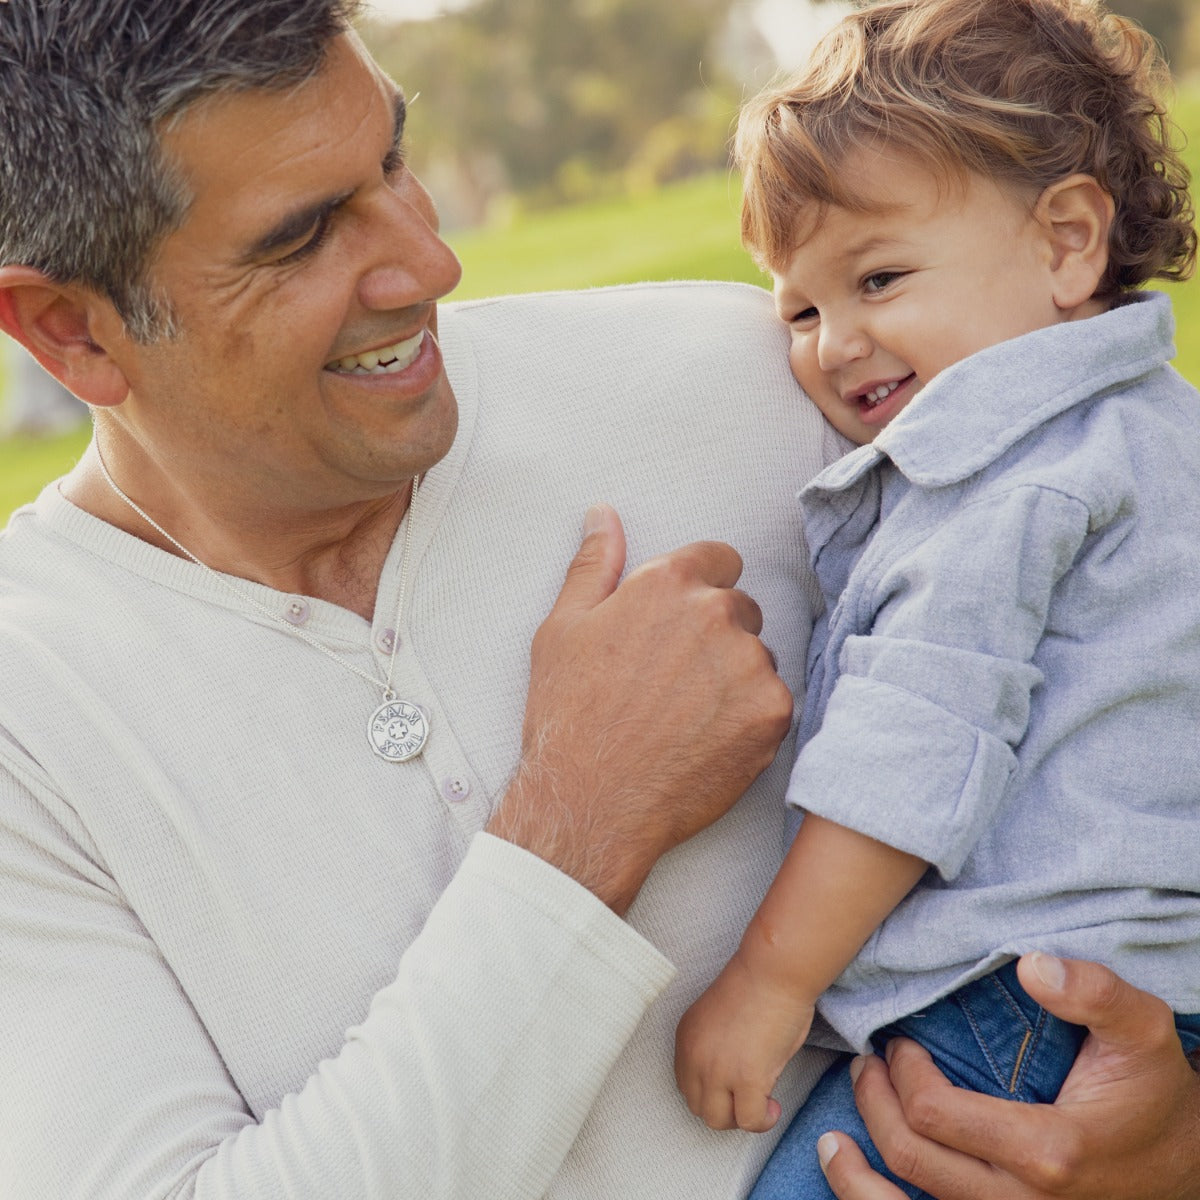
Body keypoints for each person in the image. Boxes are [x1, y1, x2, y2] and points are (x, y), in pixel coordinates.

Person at [0, 3, 1194, 1199]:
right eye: (303, 235)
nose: (431, 263)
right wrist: (579, 825)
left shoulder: (784, 390)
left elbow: (1141, 708)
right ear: (69, 330)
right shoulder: (29, 721)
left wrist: (1174, 1150)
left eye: (396, 163)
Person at [672, 1, 1200, 1197]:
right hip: (1149, 998)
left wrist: (769, 981)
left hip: (1004, 1015)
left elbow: (912, 754)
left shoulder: (998, 464)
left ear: (1069, 242)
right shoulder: (1163, 434)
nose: (835, 345)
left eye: (880, 278)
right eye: (800, 309)